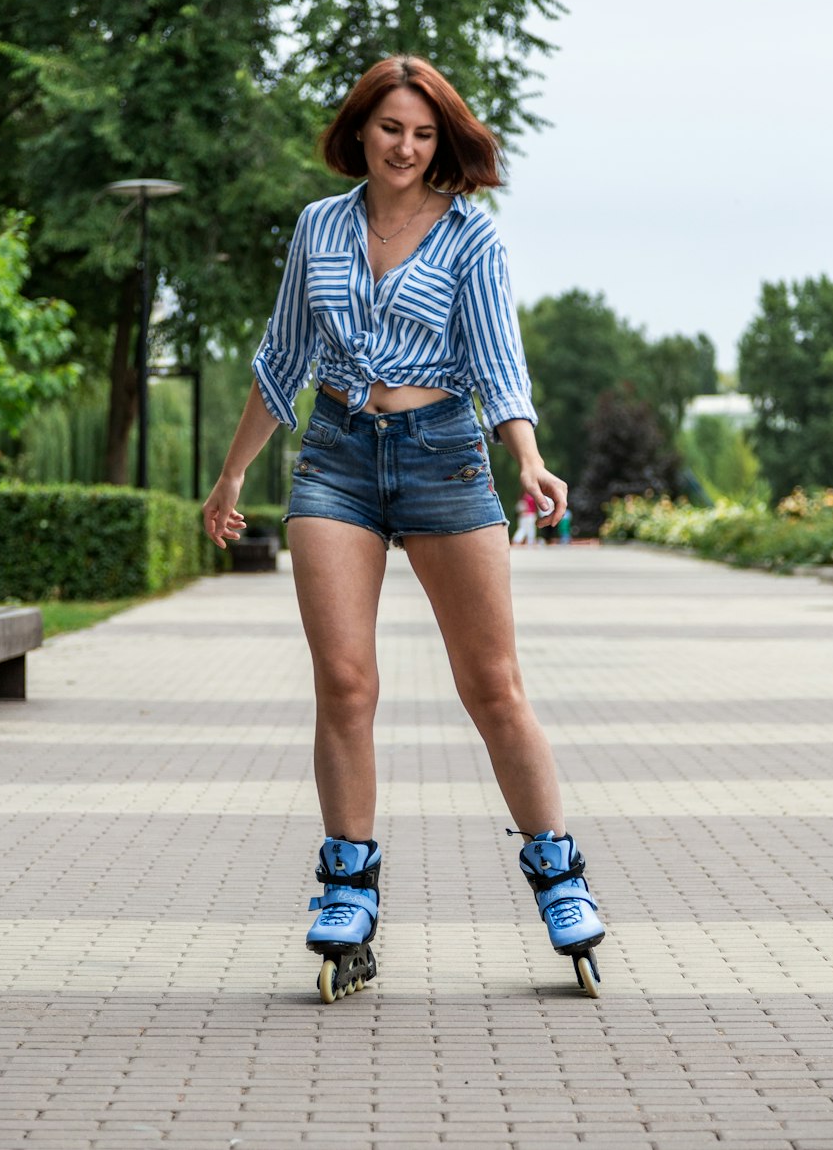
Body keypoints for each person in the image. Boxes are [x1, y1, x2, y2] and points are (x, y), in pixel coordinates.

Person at [202, 55, 605, 1001]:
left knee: (492, 687)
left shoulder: (472, 238)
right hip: (336, 457)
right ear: (361, 130)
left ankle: (558, 877)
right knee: (344, 681)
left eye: (425, 134)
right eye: (391, 129)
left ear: (444, 142)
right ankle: (348, 888)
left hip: (444, 456)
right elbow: (283, 358)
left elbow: (499, 365)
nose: (407, 147)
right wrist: (231, 474)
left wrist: (529, 458)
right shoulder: (319, 228)